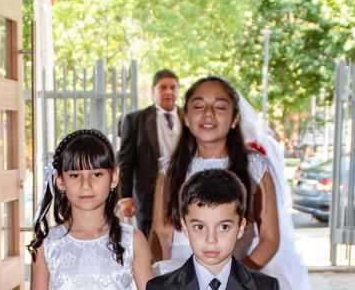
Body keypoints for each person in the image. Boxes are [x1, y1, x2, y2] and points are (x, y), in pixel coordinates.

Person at [150, 76, 309, 290]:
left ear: (234, 117)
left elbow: (270, 238)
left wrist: (232, 279)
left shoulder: (256, 167)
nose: (208, 114)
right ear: (186, 116)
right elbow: (160, 231)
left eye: (220, 107)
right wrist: (166, 271)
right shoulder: (169, 168)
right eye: (198, 106)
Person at [27, 129, 153, 290]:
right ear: (59, 180)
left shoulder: (133, 241)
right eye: (74, 175)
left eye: (97, 174)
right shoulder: (46, 245)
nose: (86, 185)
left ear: (113, 177)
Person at [146, 169, 279, 290]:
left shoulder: (266, 287)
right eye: (200, 227)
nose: (211, 239)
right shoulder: (159, 287)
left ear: (240, 227)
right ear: (185, 227)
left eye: (223, 227)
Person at [117, 69, 181, 237]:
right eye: (163, 87)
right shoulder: (135, 120)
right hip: (149, 198)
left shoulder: (188, 118)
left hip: (184, 195)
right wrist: (125, 196)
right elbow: (125, 161)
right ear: (153, 91)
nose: (169, 92)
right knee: (151, 246)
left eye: (173, 87)